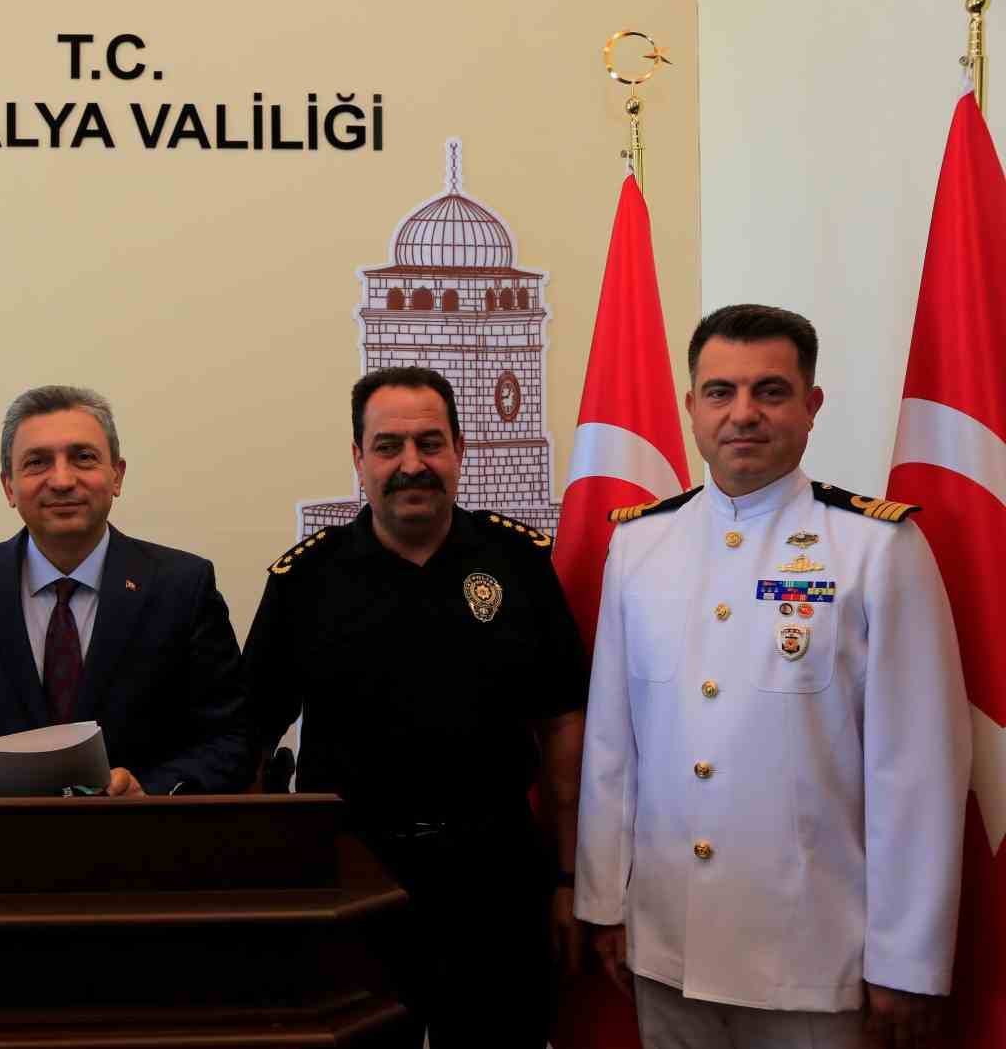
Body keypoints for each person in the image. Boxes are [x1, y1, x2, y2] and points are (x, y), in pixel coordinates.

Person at [574, 304, 972, 1049]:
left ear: (811, 406)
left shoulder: (874, 548)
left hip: (814, 958)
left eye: (771, 391)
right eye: (720, 392)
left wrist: (907, 960)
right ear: (691, 406)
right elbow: (610, 749)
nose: (743, 414)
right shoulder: (640, 546)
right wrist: (603, 903)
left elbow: (916, 771)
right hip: (667, 945)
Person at [242, 366, 588, 1046]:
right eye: (388, 446)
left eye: (430, 443)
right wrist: (265, 886)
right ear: (358, 458)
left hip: (497, 878)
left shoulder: (518, 562)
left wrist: (569, 879)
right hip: (354, 882)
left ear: (460, 449)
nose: (411, 465)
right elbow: (249, 739)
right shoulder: (306, 579)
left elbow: (563, 725)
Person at [0, 385, 253, 798]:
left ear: (117, 475)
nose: (61, 480)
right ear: (9, 487)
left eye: (84, 457)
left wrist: (148, 791)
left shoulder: (183, 586)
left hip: (139, 835)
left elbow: (231, 740)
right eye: (37, 462)